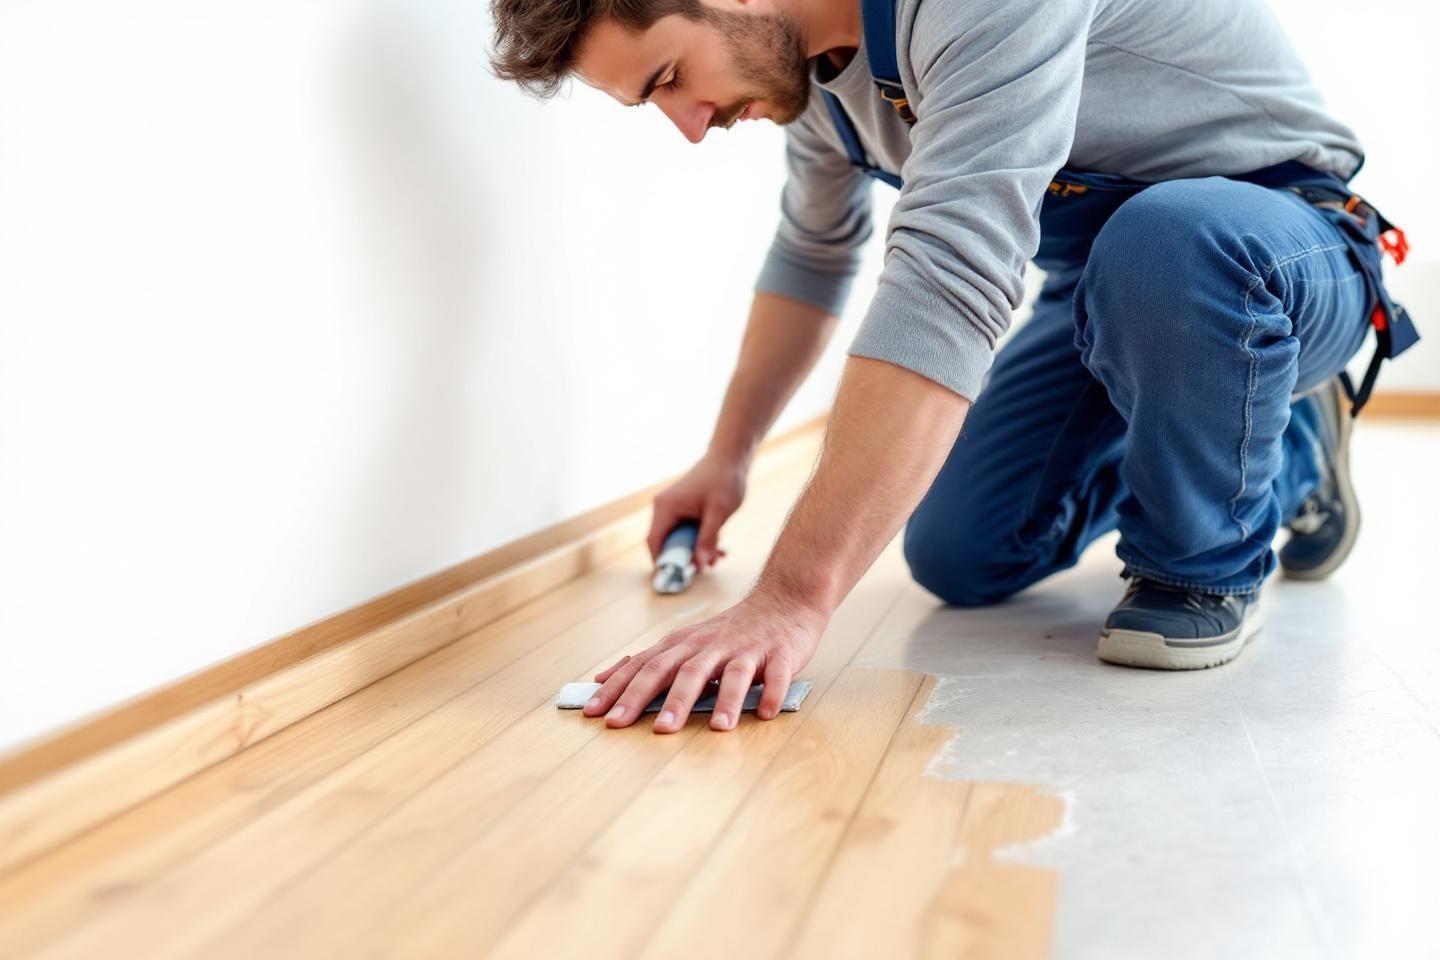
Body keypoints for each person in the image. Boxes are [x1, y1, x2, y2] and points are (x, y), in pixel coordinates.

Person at [487, 0, 1413, 732]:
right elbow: (812, 258)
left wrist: (791, 598)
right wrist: (727, 456)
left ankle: (1225, 531)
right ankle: (1246, 425)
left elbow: (953, 275)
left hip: (1282, 253)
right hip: (1110, 291)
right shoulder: (818, 86)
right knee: (960, 552)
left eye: (669, 78)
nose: (689, 126)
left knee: (1167, 240)